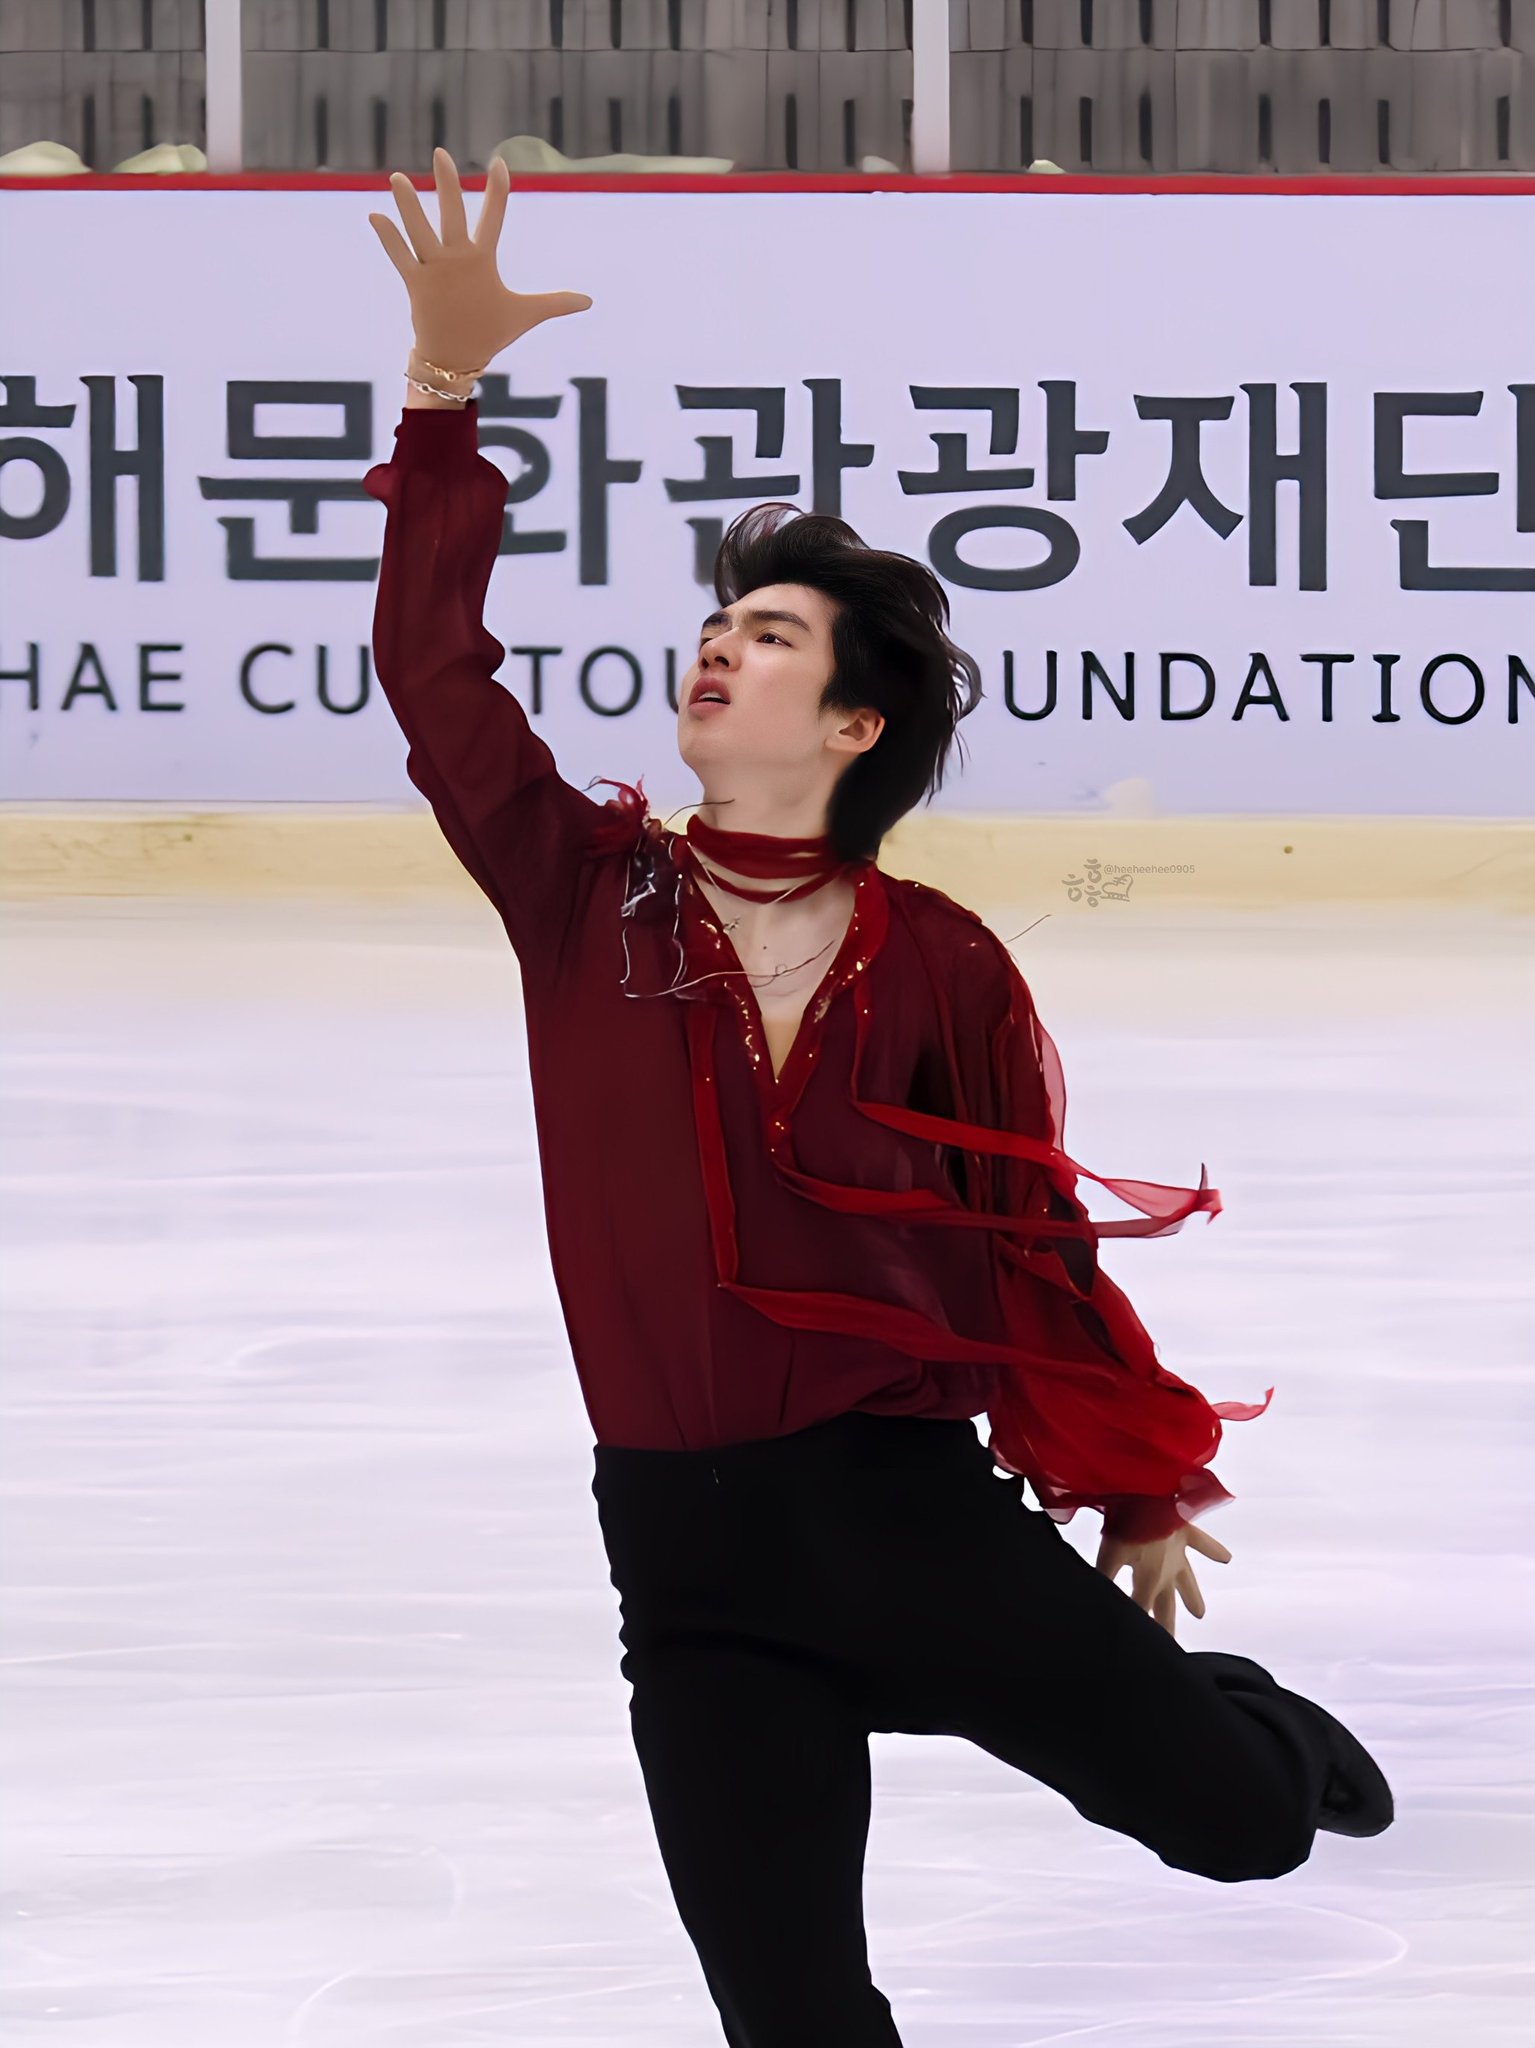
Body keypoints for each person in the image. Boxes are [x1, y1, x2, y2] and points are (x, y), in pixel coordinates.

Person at [364, 149, 1394, 2046]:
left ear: (855, 725)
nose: (719, 645)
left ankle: (1242, 1721)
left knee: (1244, 1830)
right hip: (687, 1566)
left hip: (907, 1523)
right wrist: (442, 405)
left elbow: (1026, 1239)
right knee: (795, 2016)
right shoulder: (583, 890)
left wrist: (1136, 1479)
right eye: (719, 626)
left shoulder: (939, 960)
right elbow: (436, 680)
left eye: (771, 636)